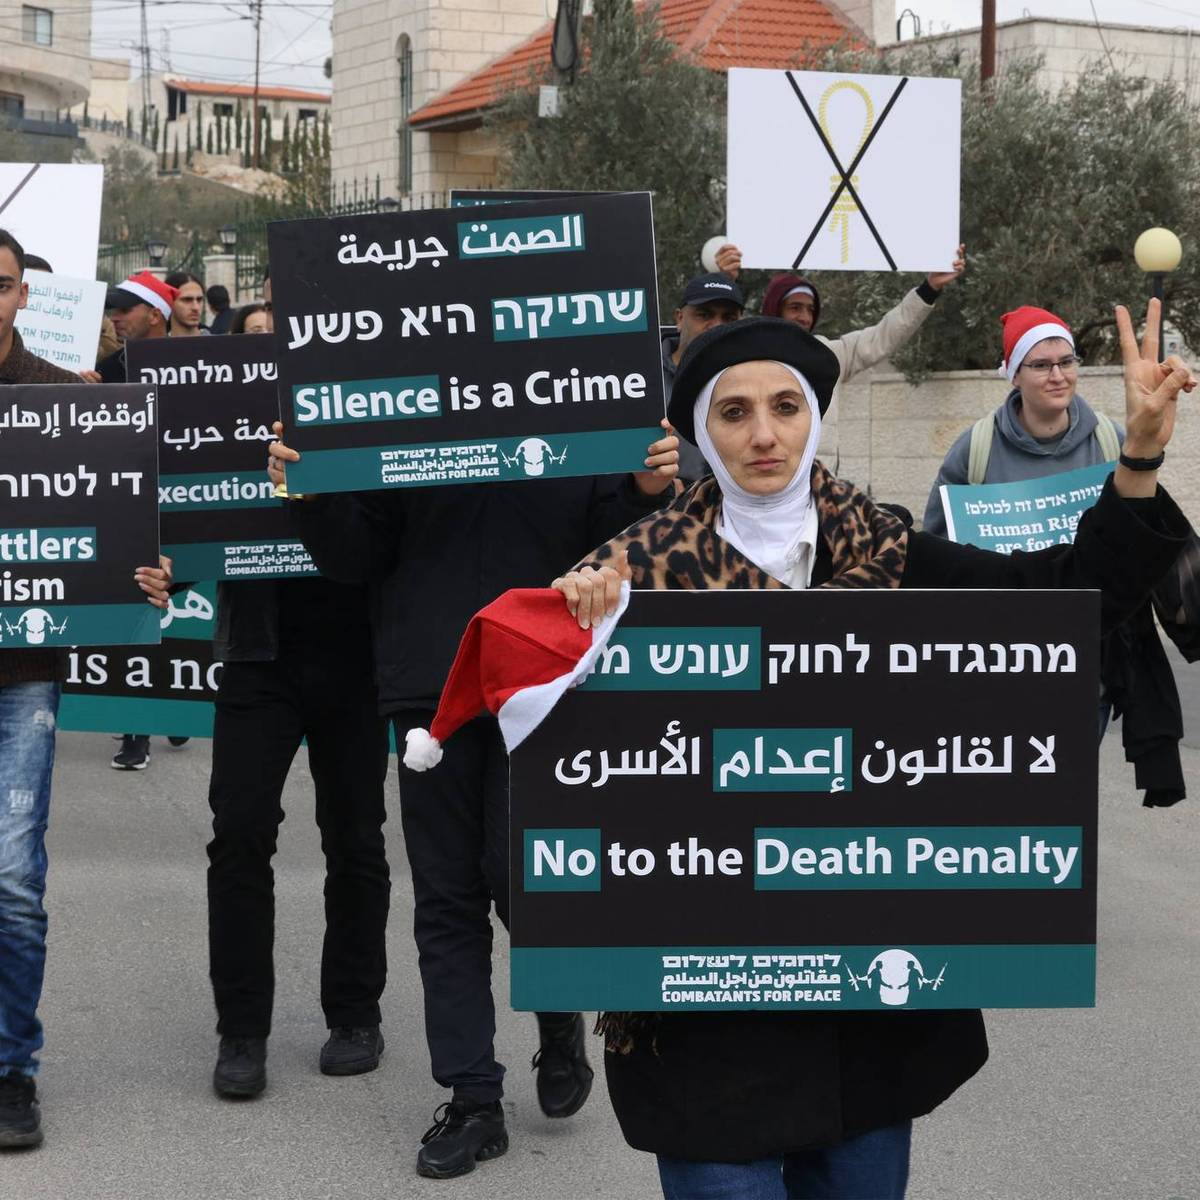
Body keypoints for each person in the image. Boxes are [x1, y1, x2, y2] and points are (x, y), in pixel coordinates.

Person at [546, 308, 1191, 1199]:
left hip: (864, 1023)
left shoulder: (894, 558)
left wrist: (1141, 456)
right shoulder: (629, 576)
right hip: (704, 1021)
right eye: (734, 412)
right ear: (702, 432)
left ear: (814, 418)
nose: (764, 434)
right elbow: (552, 763)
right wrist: (566, 624)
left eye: (785, 407)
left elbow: (1066, 597)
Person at [267, 423, 681, 1179]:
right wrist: (315, 492)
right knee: (446, 894)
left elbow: (620, 542)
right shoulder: (398, 406)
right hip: (432, 679)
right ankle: (473, 1097)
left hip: (553, 676)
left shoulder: (578, 393)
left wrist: (643, 489)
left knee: (519, 876)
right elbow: (355, 556)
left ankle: (556, 1008)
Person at [0, 226, 175, 1149]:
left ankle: (10, 1069)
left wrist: (144, 577)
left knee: (11, 882)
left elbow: (121, 542)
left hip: (20, 680)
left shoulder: (69, 402)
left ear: (23, 293)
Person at [923, 305, 1186, 804]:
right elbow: (938, 550)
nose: (1058, 375)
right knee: (998, 790)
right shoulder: (975, 448)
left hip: (1090, 660)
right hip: (1000, 660)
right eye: (1041, 364)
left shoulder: (1114, 439)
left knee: (1061, 787)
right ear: (1014, 374)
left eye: (1067, 361)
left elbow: (1136, 539)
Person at [716, 242, 966, 399]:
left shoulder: (829, 354)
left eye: (810, 309)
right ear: (774, 309)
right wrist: (725, 281)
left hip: (821, 472)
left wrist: (930, 288)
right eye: (795, 307)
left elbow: (885, 335)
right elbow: (718, 340)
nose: (804, 317)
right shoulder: (749, 355)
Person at [661, 273, 744, 482]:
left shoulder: (753, 378)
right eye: (704, 315)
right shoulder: (643, 378)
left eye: (729, 318)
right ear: (680, 318)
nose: (717, 325)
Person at [96, 271, 177, 384]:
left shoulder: (190, 362)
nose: (114, 318)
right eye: (114, 310)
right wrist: (96, 389)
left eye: (125, 310)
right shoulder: (105, 370)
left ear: (154, 316)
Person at [165, 271, 207, 337]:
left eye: (199, 300)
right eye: (187, 300)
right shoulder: (157, 343)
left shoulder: (219, 342)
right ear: (169, 302)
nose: (196, 307)